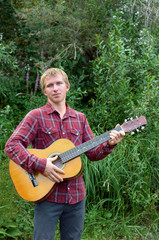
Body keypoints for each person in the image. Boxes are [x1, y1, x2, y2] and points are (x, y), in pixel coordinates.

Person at [5, 68, 125, 240]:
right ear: (44, 90)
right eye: (50, 85)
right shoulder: (36, 116)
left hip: (76, 197)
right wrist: (41, 165)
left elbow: (93, 153)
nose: (55, 88)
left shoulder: (80, 118)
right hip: (47, 197)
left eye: (59, 83)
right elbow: (12, 145)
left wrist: (109, 144)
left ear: (67, 86)